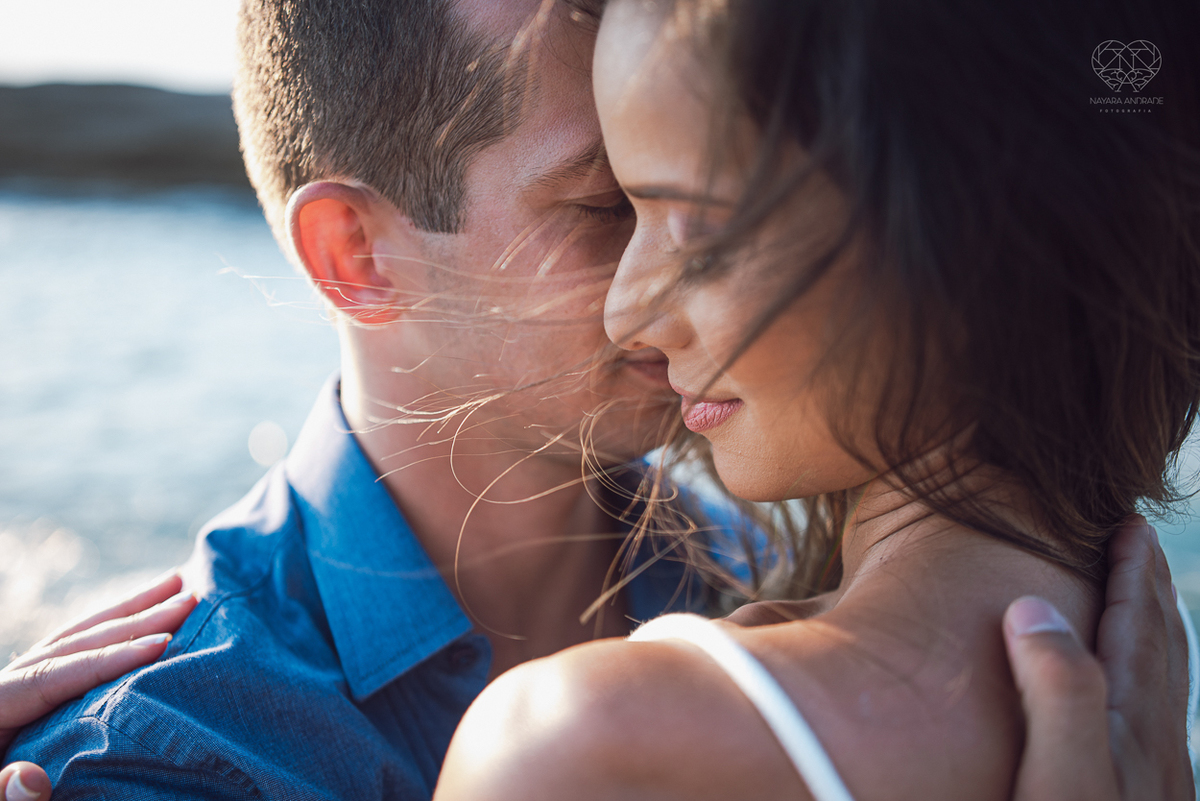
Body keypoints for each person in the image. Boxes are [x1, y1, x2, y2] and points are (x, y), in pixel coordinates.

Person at [2, 1, 1195, 800]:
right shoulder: (172, 756)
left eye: (706, 204)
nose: (653, 296)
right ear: (356, 258)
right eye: (609, 206)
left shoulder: (808, 576)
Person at [432, 0, 1200, 799]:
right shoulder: (1139, 665)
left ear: (958, 225)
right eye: (619, 212)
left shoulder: (579, 747)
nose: (625, 314)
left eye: (698, 230)